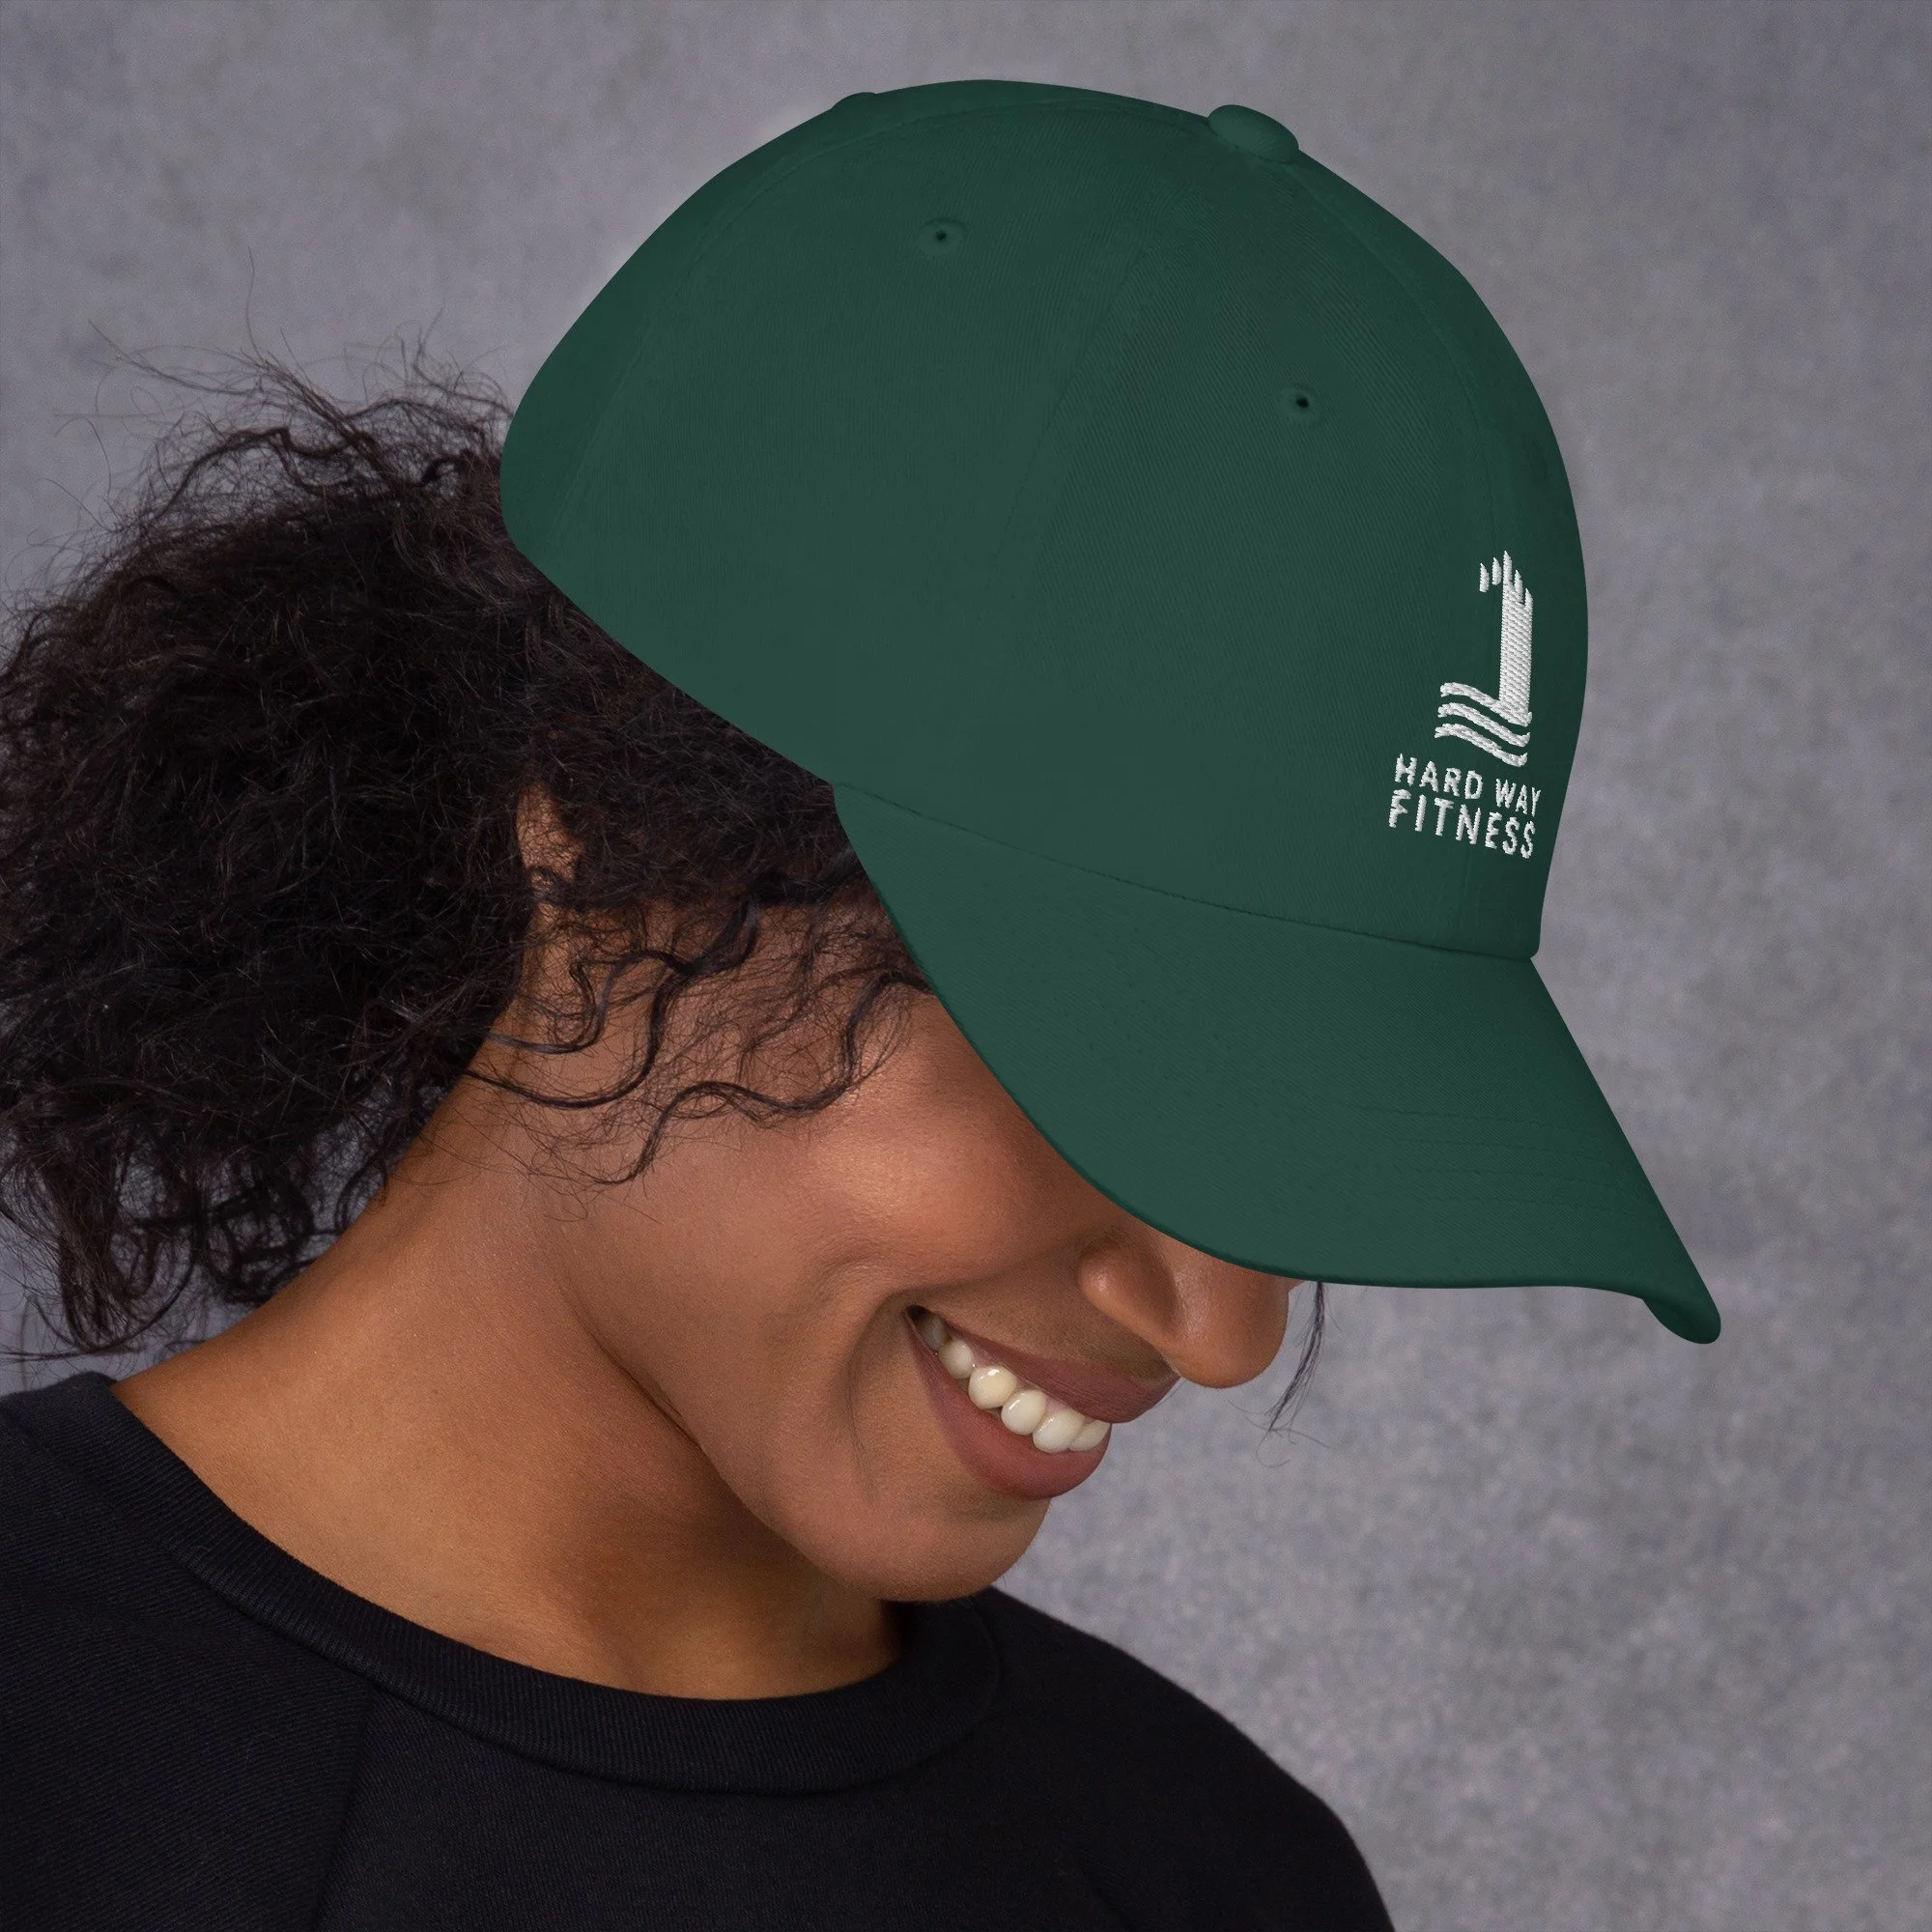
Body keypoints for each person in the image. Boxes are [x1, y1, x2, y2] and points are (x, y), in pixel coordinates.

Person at [0, 80, 1718, 1931]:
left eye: (1302, 1130)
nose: (1224, 1329)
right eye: (1109, 1065)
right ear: (593, 834)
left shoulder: (1221, 1879)